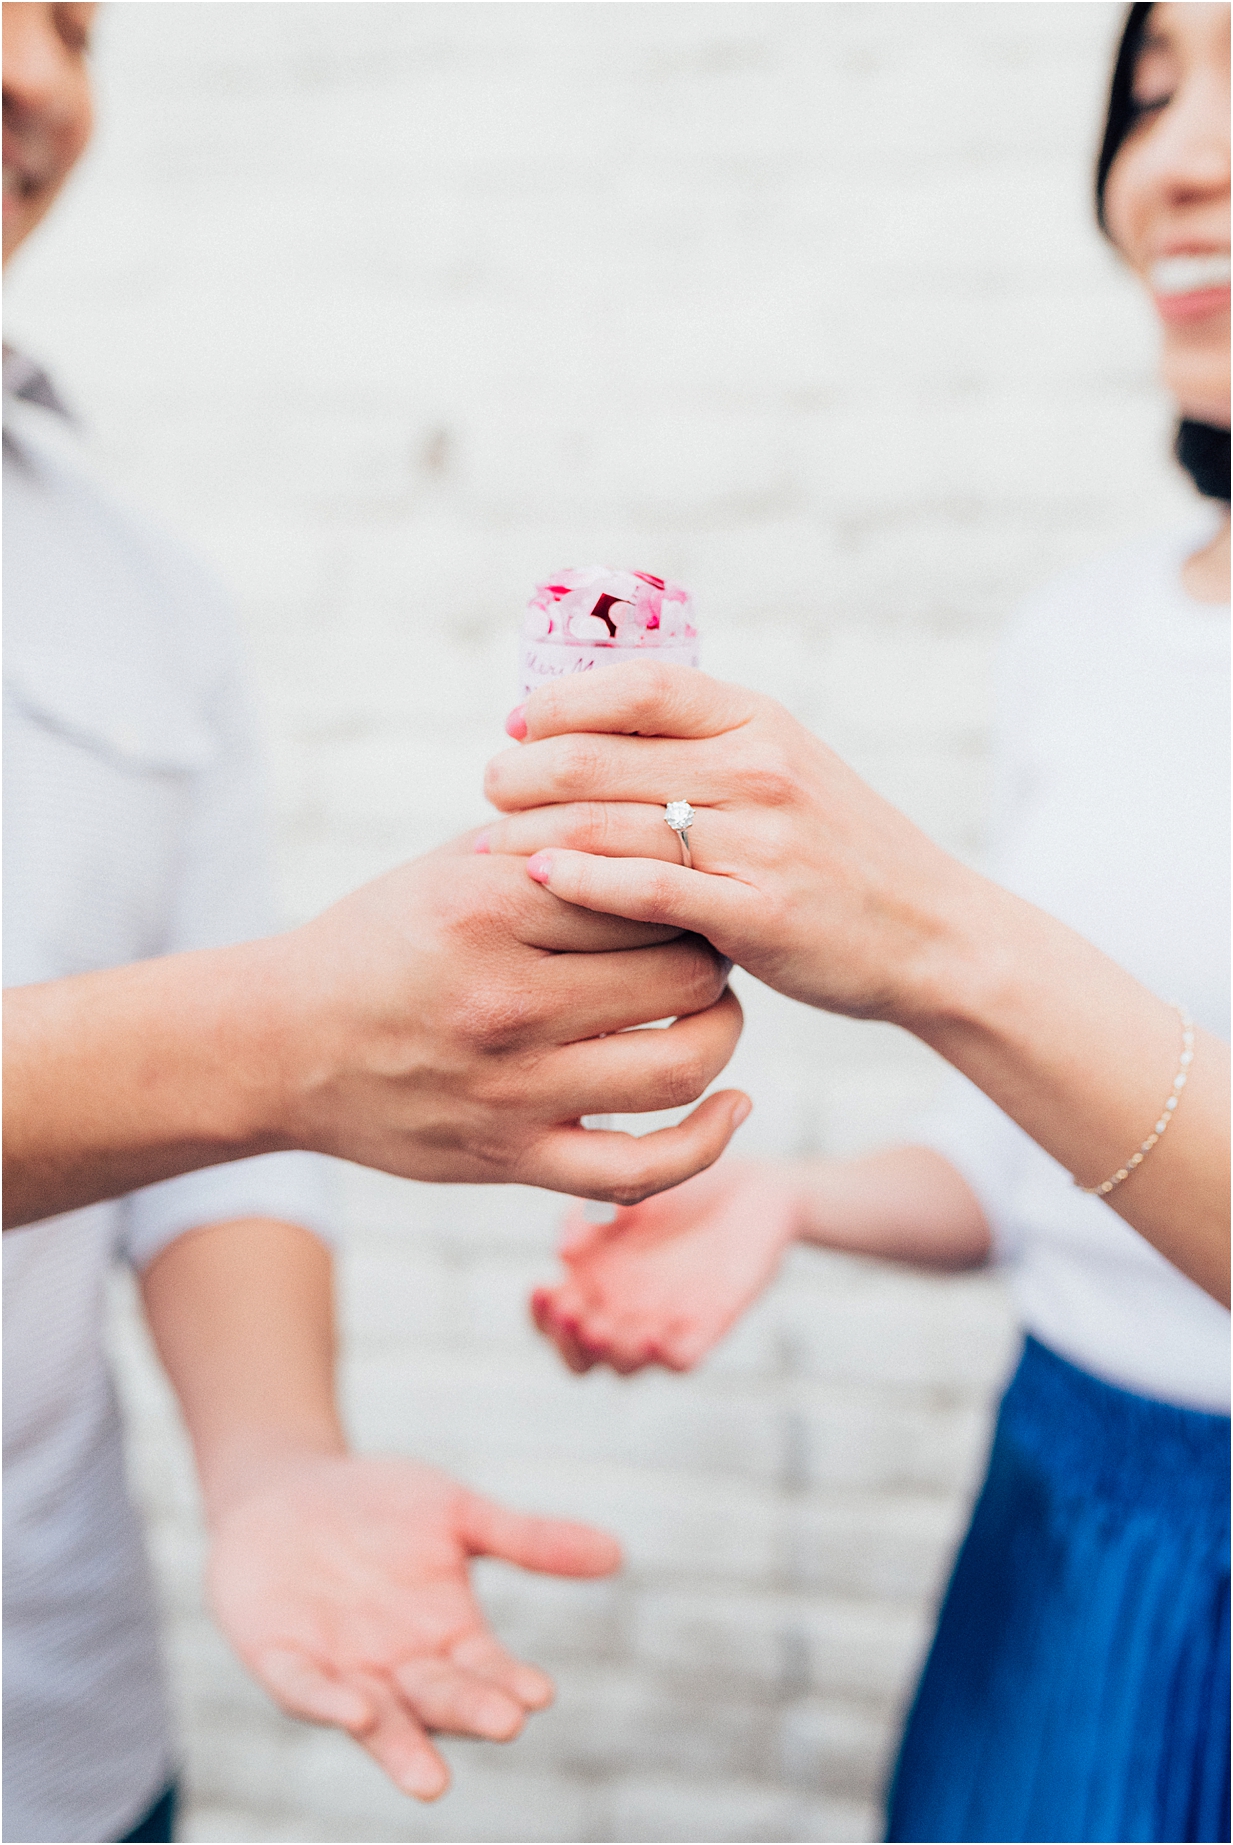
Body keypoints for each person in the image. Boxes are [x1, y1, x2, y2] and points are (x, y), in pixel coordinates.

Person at [479, 4, 1231, 1840]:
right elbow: (1060, 1157)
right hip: (1068, 1522)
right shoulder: (1082, 638)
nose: (1176, 160)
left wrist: (930, 935)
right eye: (1149, 92)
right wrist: (788, 1198)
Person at [2, 6, 747, 1842]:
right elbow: (246, 1059)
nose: (37, 70)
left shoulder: (139, 591)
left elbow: (198, 1153)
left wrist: (276, 1467)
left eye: (76, 19)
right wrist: (291, 1040)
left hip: (57, 1728)